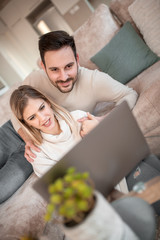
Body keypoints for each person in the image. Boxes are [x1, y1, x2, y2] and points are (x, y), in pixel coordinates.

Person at [11, 30, 138, 162]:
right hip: (24, 131)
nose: (64, 77)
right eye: (54, 69)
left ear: (77, 59)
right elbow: (14, 113)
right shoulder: (34, 80)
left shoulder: (93, 80)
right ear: (43, 67)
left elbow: (129, 94)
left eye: (69, 66)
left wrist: (102, 121)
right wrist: (27, 139)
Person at [10, 85, 99, 177]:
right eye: (32, 117)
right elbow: (63, 184)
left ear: (48, 103)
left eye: (42, 108)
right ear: (27, 123)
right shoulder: (37, 154)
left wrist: (97, 129)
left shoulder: (79, 117)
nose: (43, 118)